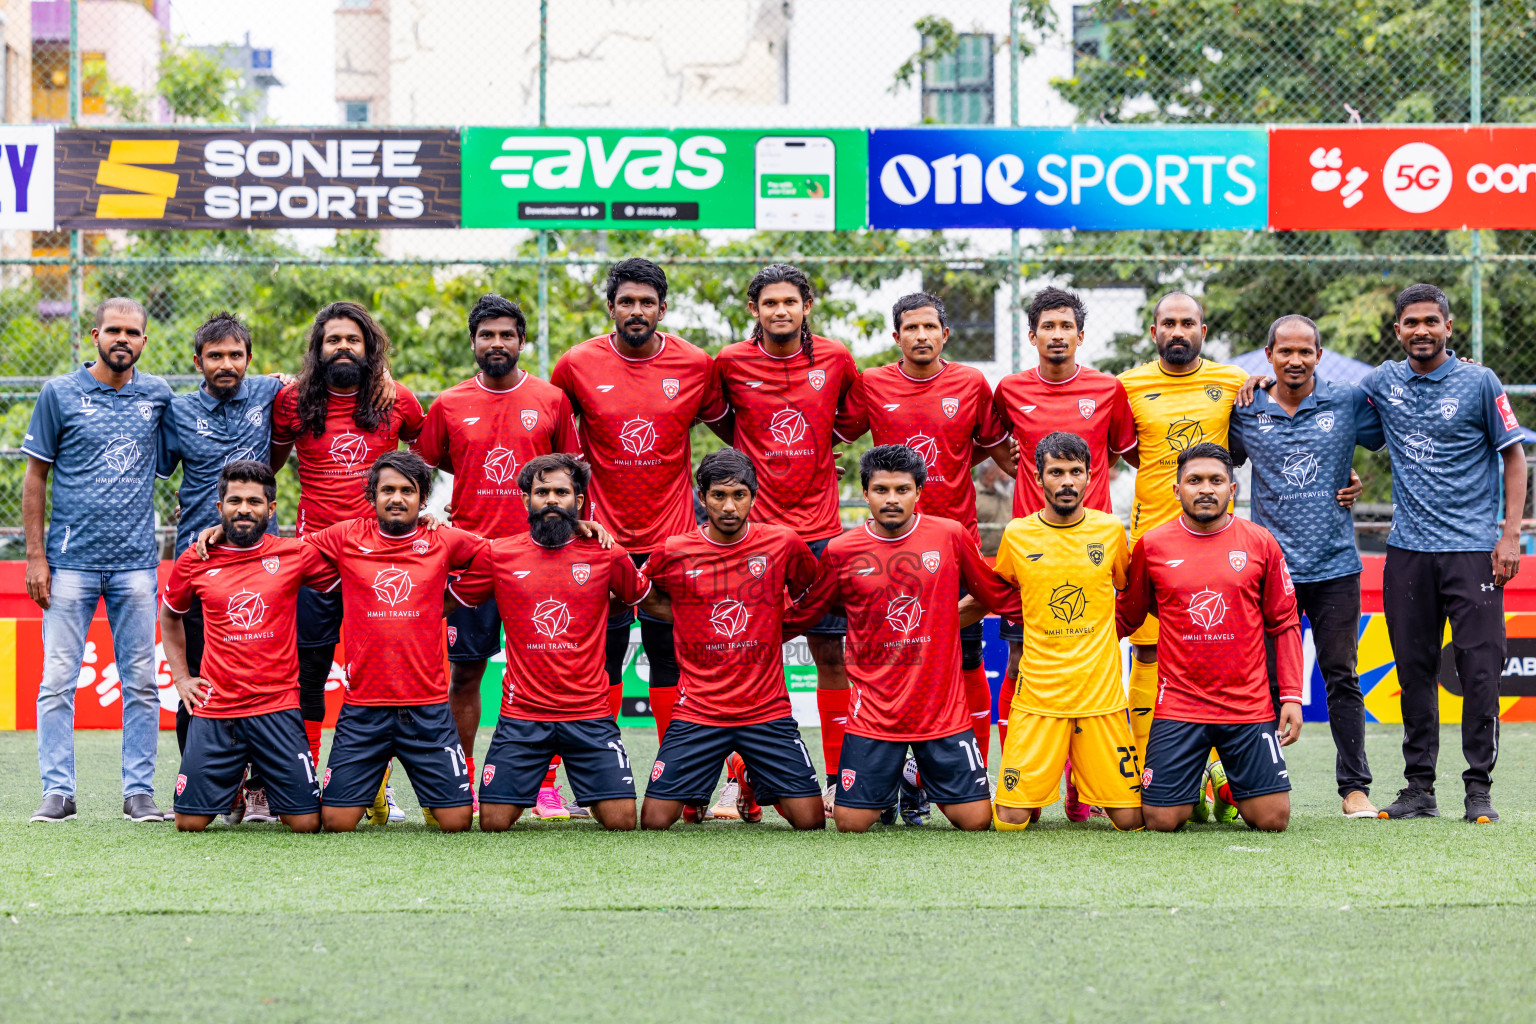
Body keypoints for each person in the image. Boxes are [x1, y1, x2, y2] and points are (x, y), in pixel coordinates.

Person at [786, 445, 1022, 833]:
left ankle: (912, 777)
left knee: (976, 822)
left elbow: (993, 594)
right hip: (874, 718)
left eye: (902, 490)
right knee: (850, 824)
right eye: (881, 490)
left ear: (919, 492)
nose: (891, 499)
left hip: (942, 716)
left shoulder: (949, 535)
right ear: (865, 493)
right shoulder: (841, 550)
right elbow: (807, 612)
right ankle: (888, 782)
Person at [1360, 283, 1526, 824]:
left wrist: (1509, 535)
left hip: (1473, 550)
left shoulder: (1480, 381)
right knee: (1414, 671)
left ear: (1449, 327)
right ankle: (1419, 789)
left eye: (1432, 321)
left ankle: (1478, 789)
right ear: (1398, 330)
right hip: (1407, 552)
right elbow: (1331, 412)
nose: (1422, 330)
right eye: (1412, 322)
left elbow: (1515, 459)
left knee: (1480, 672)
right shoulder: (1384, 382)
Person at [415, 293, 582, 820]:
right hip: (472, 558)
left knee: (550, 671)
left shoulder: (551, 399)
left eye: (506, 334)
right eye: (486, 335)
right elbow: (429, 466)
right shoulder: (448, 403)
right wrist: (435, 517)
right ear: (472, 342)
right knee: (465, 674)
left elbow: (572, 477)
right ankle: (458, 779)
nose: (496, 343)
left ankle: (544, 786)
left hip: (543, 558)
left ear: (521, 341)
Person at [549, 258, 728, 746]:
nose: (636, 310)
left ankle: (679, 774)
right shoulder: (576, 363)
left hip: (673, 540)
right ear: (610, 308)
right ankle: (601, 763)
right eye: (626, 301)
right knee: (600, 656)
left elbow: (737, 431)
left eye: (646, 302)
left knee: (669, 654)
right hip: (599, 537)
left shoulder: (695, 365)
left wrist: (797, 462)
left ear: (663, 309)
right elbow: (550, 438)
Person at [840, 293, 1012, 784]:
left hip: (955, 546)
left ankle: (974, 769)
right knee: (893, 656)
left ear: (945, 334)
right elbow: (834, 433)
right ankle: (888, 773)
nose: (920, 336)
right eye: (910, 328)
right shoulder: (871, 384)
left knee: (966, 656)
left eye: (929, 327)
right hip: (887, 548)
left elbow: (995, 450)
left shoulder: (971, 383)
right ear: (896, 337)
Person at [709, 264, 860, 818]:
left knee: (830, 654)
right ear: (754, 309)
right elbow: (723, 422)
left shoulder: (837, 358)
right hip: (751, 537)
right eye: (769, 302)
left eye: (790, 302)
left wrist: (821, 448)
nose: (780, 311)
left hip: (820, 532)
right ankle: (740, 783)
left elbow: (852, 419)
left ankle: (840, 779)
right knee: (742, 656)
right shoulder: (729, 362)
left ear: (807, 306)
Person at [1229, 314, 1385, 819]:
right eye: (1285, 352)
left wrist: (1354, 478)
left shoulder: (1345, 402)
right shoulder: (1246, 408)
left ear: (1319, 355)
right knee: (1267, 681)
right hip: (1268, 570)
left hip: (1336, 566)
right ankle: (1267, 783)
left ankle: (1354, 788)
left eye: (1305, 352)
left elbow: (1399, 429)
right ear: (1268, 356)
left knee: (1342, 676)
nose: (1295, 360)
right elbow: (1215, 461)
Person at [23, 297, 173, 824]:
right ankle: (58, 792)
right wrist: (36, 558)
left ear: (145, 341)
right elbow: (35, 479)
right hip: (69, 566)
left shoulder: (157, 395)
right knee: (57, 680)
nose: (122, 339)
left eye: (133, 332)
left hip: (136, 565)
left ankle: (139, 793)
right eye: (114, 330)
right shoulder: (59, 393)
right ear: (94, 335)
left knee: (140, 681)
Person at [269, 301, 422, 815]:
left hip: (380, 563)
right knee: (308, 673)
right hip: (315, 563)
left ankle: (379, 786)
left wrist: (435, 516)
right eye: (333, 339)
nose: (343, 348)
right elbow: (268, 467)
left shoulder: (395, 399)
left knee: (382, 679)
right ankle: (304, 781)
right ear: (318, 348)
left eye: (353, 340)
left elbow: (428, 461)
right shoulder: (291, 402)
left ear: (369, 347)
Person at [989, 286, 1136, 817]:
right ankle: (1025, 776)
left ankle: (1086, 787)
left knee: (1094, 664)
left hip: (1092, 548)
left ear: (1080, 334)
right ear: (1032, 335)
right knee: (1019, 660)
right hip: (1032, 549)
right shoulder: (1009, 389)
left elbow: (1118, 454)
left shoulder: (1106, 389)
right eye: (1046, 327)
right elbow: (992, 446)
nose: (1056, 335)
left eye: (1065, 327)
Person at [448, 454, 647, 832]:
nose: (552, 500)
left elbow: (640, 596)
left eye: (561, 492)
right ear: (526, 500)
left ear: (580, 500)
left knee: (622, 822)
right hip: (521, 716)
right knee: (493, 823)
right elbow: (448, 597)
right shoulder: (499, 554)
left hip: (589, 714)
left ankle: (588, 792)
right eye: (542, 492)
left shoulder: (607, 553)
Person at [1116, 443, 1302, 833]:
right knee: (1162, 821)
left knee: (1272, 821)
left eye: (1216, 480)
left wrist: (1290, 697)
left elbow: (1283, 622)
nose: (1206, 489)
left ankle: (1220, 776)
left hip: (1247, 705)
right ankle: (1196, 784)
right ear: (1177, 489)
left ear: (1232, 490)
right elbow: (1128, 616)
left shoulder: (1260, 542)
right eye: (1194, 480)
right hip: (1180, 704)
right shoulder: (1152, 545)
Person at [637, 448, 825, 830]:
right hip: (698, 710)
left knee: (810, 822)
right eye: (718, 496)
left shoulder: (783, 543)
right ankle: (738, 767)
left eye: (739, 495)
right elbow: (643, 592)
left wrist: (774, 625)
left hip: (766, 710)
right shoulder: (674, 549)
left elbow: (813, 594)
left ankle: (748, 775)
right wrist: (690, 617)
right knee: (655, 822)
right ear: (702, 496)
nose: (728, 506)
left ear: (753, 496)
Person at [303, 451, 484, 833]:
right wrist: (219, 534)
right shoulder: (346, 535)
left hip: (427, 709)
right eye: (387, 490)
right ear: (372, 496)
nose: (397, 498)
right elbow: (289, 556)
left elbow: (494, 558)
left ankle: (423, 791)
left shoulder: (442, 538)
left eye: (407, 490)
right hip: (364, 708)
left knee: (457, 823)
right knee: (335, 823)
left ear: (422, 499)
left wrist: (451, 602)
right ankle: (374, 789)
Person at [161, 462, 339, 833]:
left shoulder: (295, 554)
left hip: (276, 707)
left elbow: (354, 555)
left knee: (306, 823)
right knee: (188, 823)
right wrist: (181, 677)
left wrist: (428, 521)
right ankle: (233, 790)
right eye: (235, 500)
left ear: (271, 509)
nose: (244, 509)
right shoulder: (195, 558)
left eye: (254, 501)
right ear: (219, 507)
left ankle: (262, 785)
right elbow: (170, 615)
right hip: (217, 708)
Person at [157, 311, 286, 823]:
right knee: (200, 678)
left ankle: (257, 789)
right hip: (201, 560)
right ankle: (204, 783)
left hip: (262, 562)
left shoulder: (268, 393)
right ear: (198, 362)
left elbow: (309, 384)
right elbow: (161, 468)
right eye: (215, 356)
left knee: (263, 676)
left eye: (235, 354)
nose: (226, 364)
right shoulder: (177, 411)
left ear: (249, 360)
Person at [981, 432, 1142, 832]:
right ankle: (1054, 776)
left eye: (1075, 471)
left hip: (1099, 697)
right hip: (1039, 696)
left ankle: (1080, 776)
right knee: (1010, 821)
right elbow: (999, 595)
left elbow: (1129, 594)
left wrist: (1110, 632)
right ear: (1038, 478)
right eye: (1056, 472)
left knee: (1131, 820)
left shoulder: (1109, 530)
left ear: (1090, 477)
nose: (1067, 481)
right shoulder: (1017, 535)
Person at [1117, 293, 1253, 760]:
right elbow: (1128, 452)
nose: (1179, 331)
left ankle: (1211, 777)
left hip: (1213, 542)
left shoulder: (1234, 381)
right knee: (1148, 655)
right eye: (1169, 323)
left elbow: (1269, 431)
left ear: (1203, 331)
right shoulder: (1127, 385)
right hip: (1149, 542)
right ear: (1154, 333)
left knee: (1208, 652)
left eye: (1188, 323)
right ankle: (1139, 766)